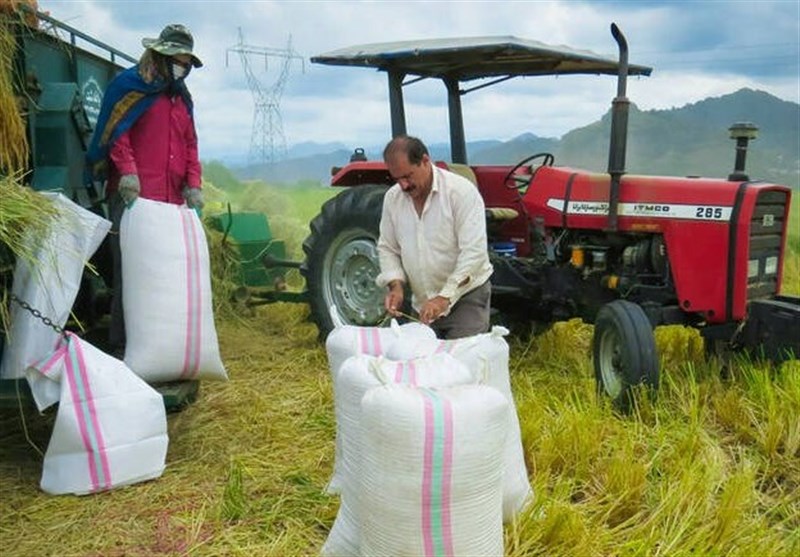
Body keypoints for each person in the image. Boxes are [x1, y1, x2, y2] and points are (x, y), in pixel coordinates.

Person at [85, 23, 205, 355]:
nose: (183, 68)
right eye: (179, 60)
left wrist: (193, 184)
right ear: (162, 56)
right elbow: (116, 133)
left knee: (164, 273)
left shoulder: (181, 99)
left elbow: (190, 144)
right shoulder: (129, 86)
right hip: (133, 198)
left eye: (187, 63)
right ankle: (125, 346)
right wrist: (127, 173)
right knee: (133, 272)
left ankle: (162, 346)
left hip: (169, 202)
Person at [376, 135, 494, 339]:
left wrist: (443, 297)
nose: (403, 185)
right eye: (397, 179)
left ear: (425, 161)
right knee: (423, 364)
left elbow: (474, 253)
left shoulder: (461, 193)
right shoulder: (393, 199)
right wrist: (395, 285)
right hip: (422, 303)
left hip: (465, 297)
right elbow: (388, 247)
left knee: (461, 362)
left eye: (408, 176)